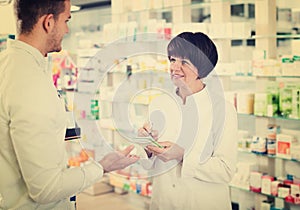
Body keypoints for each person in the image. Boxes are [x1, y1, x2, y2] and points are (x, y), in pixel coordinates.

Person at [0, 0, 139, 209]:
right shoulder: (30, 83)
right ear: (48, 22)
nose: (67, 29)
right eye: (66, 20)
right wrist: (102, 167)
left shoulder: (9, 63)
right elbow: (46, 188)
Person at [138, 32, 238, 210]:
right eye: (172, 60)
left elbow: (226, 171)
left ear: (203, 67)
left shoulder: (222, 109)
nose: (175, 67)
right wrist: (147, 146)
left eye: (184, 62)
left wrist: (182, 155)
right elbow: (148, 165)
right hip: (164, 202)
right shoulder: (159, 104)